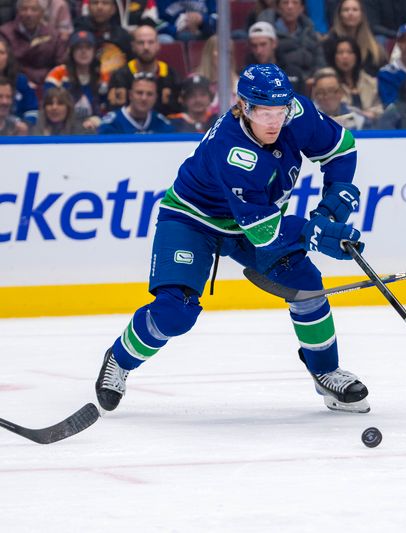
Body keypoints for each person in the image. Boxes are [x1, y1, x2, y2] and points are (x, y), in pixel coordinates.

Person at [94, 64, 371, 415]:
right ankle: (119, 360)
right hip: (194, 219)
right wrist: (310, 232)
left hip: (253, 219)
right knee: (175, 312)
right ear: (242, 106)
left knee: (306, 283)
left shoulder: (296, 113)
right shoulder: (231, 151)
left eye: (279, 111)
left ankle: (326, 372)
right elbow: (264, 232)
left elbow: (342, 149)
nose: (273, 122)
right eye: (263, 112)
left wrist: (333, 202)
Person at [107, 23, 181, 115]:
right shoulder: (120, 76)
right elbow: (114, 113)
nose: (146, 47)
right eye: (141, 43)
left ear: (158, 45)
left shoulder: (171, 74)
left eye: (150, 42)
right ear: (133, 46)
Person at [44, 29, 109, 131]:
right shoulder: (57, 74)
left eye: (88, 48)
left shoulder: (103, 76)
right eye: (79, 48)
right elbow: (48, 104)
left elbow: (108, 108)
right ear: (71, 51)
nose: (83, 52)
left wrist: (98, 120)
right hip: (63, 129)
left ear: (94, 51)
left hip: (94, 130)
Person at [0, 0, 67, 86]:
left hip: (48, 84)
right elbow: (6, 64)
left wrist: (49, 78)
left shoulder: (53, 35)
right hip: (15, 84)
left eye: (34, 9)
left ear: (42, 13)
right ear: (18, 11)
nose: (29, 14)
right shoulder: (5, 33)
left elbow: (60, 63)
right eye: (24, 9)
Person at [325, 35, 382, 120]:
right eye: (340, 52)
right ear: (334, 57)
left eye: (350, 52)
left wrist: (371, 114)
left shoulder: (370, 82)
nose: (345, 56)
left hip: (369, 129)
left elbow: (380, 108)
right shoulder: (326, 82)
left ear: (357, 56)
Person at [324, 0, 386, 76]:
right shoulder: (329, 43)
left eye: (355, 10)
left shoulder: (373, 47)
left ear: (362, 15)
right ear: (340, 15)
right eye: (346, 10)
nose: (350, 13)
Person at [98, 71, 174, 133]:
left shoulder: (162, 124)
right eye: (139, 93)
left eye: (149, 94)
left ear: (155, 98)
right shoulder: (112, 123)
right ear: (130, 95)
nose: (144, 98)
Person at [0, 34, 37, 124]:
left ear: (8, 57)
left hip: (16, 133)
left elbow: (32, 110)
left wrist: (26, 124)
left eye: (1, 53)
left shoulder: (21, 81)